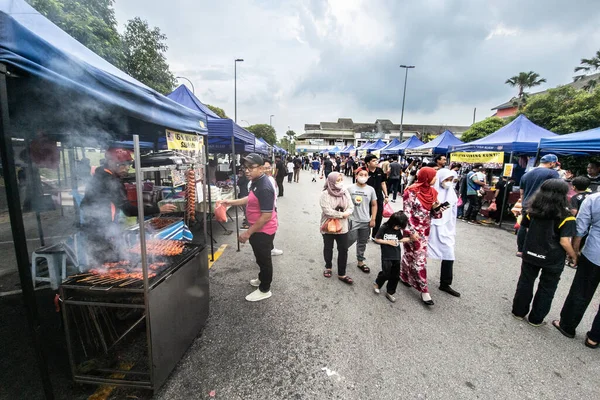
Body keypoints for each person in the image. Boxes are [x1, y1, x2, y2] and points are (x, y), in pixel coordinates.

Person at [80, 148, 177, 264]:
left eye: (128, 165)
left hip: (91, 230)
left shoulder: (97, 176)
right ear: (111, 163)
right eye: (123, 165)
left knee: (99, 264)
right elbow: (128, 210)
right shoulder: (110, 181)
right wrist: (158, 209)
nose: (127, 168)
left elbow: (83, 205)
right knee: (109, 265)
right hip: (101, 233)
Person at [511, 179, 576, 326]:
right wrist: (573, 255)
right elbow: (565, 241)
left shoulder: (532, 210)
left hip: (531, 252)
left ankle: (518, 312)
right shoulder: (567, 216)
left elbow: (525, 227)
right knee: (547, 287)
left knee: (525, 281)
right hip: (553, 259)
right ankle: (536, 319)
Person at [221, 154, 278, 302]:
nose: (246, 171)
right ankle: (262, 279)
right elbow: (250, 199)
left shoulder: (265, 186)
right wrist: (230, 202)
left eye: (250, 168)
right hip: (257, 228)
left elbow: (266, 215)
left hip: (263, 230)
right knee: (260, 258)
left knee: (264, 260)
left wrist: (247, 233)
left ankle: (265, 289)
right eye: (244, 168)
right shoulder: (256, 181)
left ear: (261, 168)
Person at [552, 192, 600, 347]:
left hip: (594, 253)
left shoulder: (594, 199)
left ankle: (567, 325)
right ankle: (595, 337)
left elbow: (580, 228)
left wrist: (574, 253)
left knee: (581, 291)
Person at [400, 167, 444, 306]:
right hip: (412, 230)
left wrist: (438, 207)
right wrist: (411, 231)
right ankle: (424, 290)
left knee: (411, 255)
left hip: (425, 230)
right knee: (419, 259)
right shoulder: (411, 191)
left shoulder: (433, 192)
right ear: (426, 177)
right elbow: (406, 213)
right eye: (434, 176)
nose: (436, 179)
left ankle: (404, 275)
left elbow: (436, 215)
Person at [516, 154, 560, 256]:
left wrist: (524, 204)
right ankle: (534, 251)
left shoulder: (526, 174)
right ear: (551, 163)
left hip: (527, 204)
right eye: (554, 164)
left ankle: (520, 250)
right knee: (539, 227)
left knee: (523, 225)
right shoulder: (552, 174)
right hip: (542, 205)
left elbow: (521, 192)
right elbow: (557, 190)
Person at [427, 168, 461, 297]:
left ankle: (445, 283)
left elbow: (453, 213)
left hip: (446, 228)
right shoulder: (432, 192)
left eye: (451, 180)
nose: (448, 182)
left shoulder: (452, 193)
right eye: (446, 179)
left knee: (449, 254)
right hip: (432, 226)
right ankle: (414, 276)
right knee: (425, 254)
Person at [320, 172, 354, 285]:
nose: (340, 182)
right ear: (331, 181)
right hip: (328, 226)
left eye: (341, 179)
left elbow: (351, 206)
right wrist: (342, 215)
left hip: (343, 227)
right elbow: (327, 211)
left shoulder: (345, 192)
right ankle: (328, 267)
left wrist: (347, 213)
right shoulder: (325, 194)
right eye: (337, 180)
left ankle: (342, 273)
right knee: (328, 247)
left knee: (344, 249)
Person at [373, 211, 416, 302]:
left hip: (396, 254)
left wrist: (410, 239)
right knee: (386, 273)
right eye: (397, 225)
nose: (398, 228)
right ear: (392, 221)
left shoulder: (397, 229)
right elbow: (377, 239)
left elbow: (400, 239)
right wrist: (388, 242)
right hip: (386, 255)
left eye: (400, 226)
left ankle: (390, 292)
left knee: (395, 275)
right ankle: (377, 283)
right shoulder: (384, 228)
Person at [347, 167, 377, 274]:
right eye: (361, 174)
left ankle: (360, 262)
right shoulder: (349, 188)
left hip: (365, 221)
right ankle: (342, 257)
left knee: (362, 243)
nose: (363, 177)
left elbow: (374, 205)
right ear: (356, 176)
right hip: (352, 220)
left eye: (365, 175)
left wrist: (373, 218)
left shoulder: (371, 189)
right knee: (348, 241)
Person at [262, 160, 284, 257]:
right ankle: (268, 249)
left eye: (269, 167)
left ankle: (270, 247)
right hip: (267, 209)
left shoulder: (270, 178)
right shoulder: (259, 181)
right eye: (265, 168)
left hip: (273, 207)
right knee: (268, 229)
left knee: (272, 228)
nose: (267, 170)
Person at [364, 154, 389, 238]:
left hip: (378, 197)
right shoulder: (364, 172)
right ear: (368, 163)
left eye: (376, 160)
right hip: (366, 198)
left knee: (378, 217)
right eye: (373, 161)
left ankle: (375, 235)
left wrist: (386, 195)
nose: (376, 162)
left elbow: (383, 183)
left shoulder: (380, 171)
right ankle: (366, 235)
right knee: (366, 216)